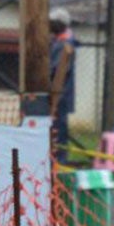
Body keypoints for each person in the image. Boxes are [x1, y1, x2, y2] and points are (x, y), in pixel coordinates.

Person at [48, 8, 77, 162]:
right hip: (57, 92)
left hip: (61, 93)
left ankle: (60, 160)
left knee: (59, 127)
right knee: (55, 126)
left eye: (52, 23)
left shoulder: (66, 44)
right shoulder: (57, 41)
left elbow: (57, 68)